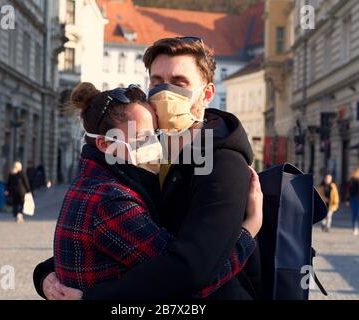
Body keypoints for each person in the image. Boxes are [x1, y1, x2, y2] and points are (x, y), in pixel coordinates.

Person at [33, 36, 262, 300]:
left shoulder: (222, 164)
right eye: (157, 81)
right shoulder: (150, 149)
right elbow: (120, 237)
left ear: (207, 93)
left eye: (179, 82)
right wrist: (48, 273)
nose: (165, 91)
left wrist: (250, 229)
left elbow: (191, 271)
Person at [348, 168, 359, 235]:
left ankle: (356, 228)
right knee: (354, 214)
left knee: (357, 214)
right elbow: (348, 191)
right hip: (353, 199)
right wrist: (347, 200)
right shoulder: (351, 181)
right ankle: (355, 228)